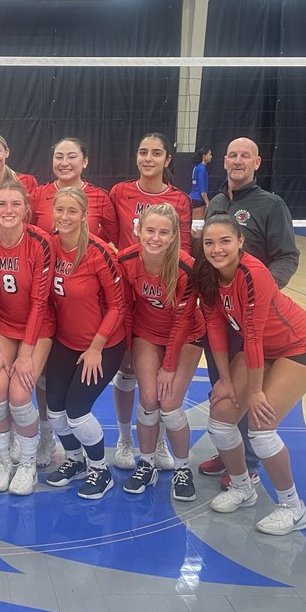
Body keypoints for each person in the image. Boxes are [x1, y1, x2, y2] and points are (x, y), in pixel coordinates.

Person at [195, 214, 306, 536]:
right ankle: (243, 487)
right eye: (209, 243)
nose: (216, 249)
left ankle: (293, 507)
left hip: (300, 346)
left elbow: (253, 336)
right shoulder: (208, 274)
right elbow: (214, 327)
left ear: (241, 241)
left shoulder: (253, 274)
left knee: (261, 427)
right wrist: (225, 379)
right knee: (221, 416)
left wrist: (254, 392)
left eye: (225, 240)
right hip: (263, 350)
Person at [198, 137, 300, 489]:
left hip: (253, 320)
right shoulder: (219, 202)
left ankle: (249, 464)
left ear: (257, 162)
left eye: (246, 156)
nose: (238, 161)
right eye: (232, 155)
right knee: (223, 387)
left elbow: (288, 255)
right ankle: (230, 454)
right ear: (224, 161)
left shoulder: (271, 204)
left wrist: (259, 296)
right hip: (219, 314)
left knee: (249, 391)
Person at [108, 133, 192, 474]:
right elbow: (114, 241)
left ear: (167, 160)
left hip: (166, 292)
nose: (148, 158)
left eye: (156, 153)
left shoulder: (179, 200)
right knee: (128, 373)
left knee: (160, 389)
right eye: (143, 152)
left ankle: (154, 441)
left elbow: (182, 248)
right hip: (131, 290)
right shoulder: (120, 192)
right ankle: (125, 438)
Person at [43, 187, 126, 500]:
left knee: (77, 412)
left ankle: (100, 469)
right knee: (55, 413)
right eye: (60, 210)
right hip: (66, 342)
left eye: (72, 211)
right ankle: (75, 461)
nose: (65, 217)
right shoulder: (49, 246)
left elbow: (118, 306)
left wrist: (96, 349)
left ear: (84, 215)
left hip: (103, 345)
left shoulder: (98, 251)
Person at [117, 204, 204, 501]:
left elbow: (182, 322)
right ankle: (147, 463)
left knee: (169, 403)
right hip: (147, 333)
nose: (155, 238)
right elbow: (126, 307)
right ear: (139, 230)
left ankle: (182, 469)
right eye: (150, 230)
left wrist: (168, 365)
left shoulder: (186, 268)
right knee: (149, 399)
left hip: (188, 336)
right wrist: (127, 348)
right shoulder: (126, 259)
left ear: (174, 236)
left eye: (163, 232)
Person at [0, 182, 53, 495]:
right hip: (2, 325)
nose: (8, 210)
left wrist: (25, 354)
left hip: (38, 326)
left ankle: (28, 464)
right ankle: (5, 459)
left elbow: (39, 302)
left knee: (19, 395)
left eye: (15, 204)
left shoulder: (39, 242)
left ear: (26, 209)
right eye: (2, 204)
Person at [30, 137, 117, 241]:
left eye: (71, 157)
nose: (64, 163)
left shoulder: (100, 197)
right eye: (59, 157)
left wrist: (91, 244)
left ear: (84, 162)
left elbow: (114, 237)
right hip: (47, 257)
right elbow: (27, 233)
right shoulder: (38, 194)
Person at [189, 148, 212, 222]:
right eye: (210, 154)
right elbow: (202, 188)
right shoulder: (202, 169)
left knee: (194, 224)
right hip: (199, 200)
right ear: (204, 156)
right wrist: (208, 203)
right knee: (198, 226)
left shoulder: (196, 167)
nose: (211, 156)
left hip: (193, 198)